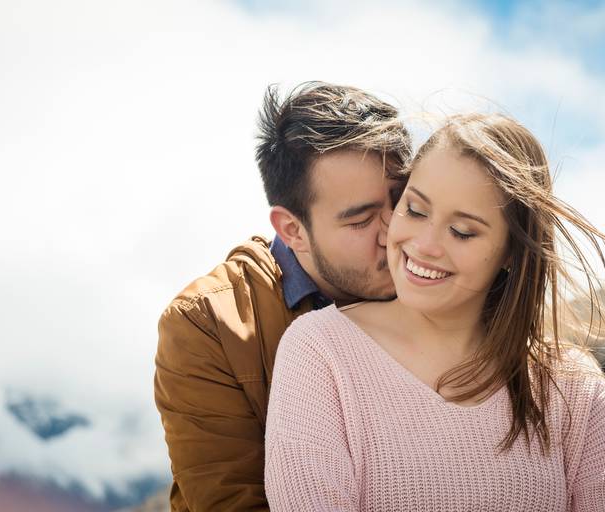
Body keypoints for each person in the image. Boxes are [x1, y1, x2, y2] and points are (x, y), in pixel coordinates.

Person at [265, 113, 605, 511]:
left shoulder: (571, 386)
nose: (425, 244)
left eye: (462, 231)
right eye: (414, 210)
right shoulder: (320, 351)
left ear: (512, 253)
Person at [154, 82, 412, 511]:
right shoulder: (208, 326)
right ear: (292, 229)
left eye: (403, 202)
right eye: (362, 220)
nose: (396, 235)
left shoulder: (441, 276)